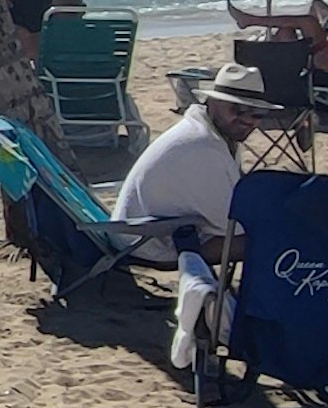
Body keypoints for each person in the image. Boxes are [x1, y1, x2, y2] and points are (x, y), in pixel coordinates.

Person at [111, 64, 268, 264]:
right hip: (147, 245)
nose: (247, 120)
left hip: (148, 232)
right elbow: (233, 227)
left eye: (257, 114)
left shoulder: (205, 132)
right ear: (212, 102)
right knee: (269, 240)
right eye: (237, 109)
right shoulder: (204, 147)